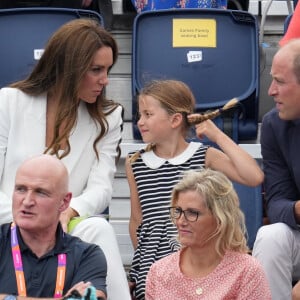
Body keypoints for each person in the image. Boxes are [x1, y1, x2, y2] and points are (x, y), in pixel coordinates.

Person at [0, 19, 130, 299]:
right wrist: (28, 215)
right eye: (96, 70)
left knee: (97, 227)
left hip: (66, 220)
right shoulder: (9, 102)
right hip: (7, 218)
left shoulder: (110, 117)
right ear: (67, 66)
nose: (105, 80)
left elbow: (101, 188)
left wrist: (68, 211)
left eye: (108, 70)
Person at [125, 79, 264, 299]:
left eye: (148, 114)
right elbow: (137, 220)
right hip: (152, 269)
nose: (140, 121)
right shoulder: (135, 162)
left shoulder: (202, 154)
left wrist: (217, 135)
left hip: (196, 261)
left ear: (175, 119)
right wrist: (142, 262)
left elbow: (254, 176)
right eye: (140, 114)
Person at [145, 169, 271, 299]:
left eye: (192, 213)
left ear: (220, 218)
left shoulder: (247, 271)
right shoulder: (159, 272)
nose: (180, 221)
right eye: (178, 211)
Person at [0, 155, 107, 299]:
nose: (27, 201)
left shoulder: (86, 255)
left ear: (64, 202)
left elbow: (93, 297)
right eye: (21, 189)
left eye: (40, 192)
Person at [252, 38, 300, 300]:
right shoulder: (274, 125)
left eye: (280, 81)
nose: (270, 91)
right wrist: (296, 209)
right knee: (271, 236)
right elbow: (277, 201)